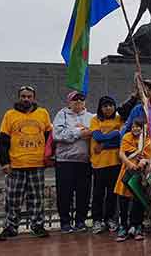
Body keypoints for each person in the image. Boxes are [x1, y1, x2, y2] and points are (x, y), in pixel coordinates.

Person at [0, 86, 52, 241]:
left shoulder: (43, 113)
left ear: (34, 97)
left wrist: (49, 157)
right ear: (19, 97)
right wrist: (4, 163)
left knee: (36, 198)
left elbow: (49, 138)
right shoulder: (10, 115)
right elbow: (3, 141)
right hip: (16, 165)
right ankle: (10, 227)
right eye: (23, 96)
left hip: (37, 164)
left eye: (29, 96)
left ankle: (37, 226)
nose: (26, 99)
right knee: (12, 199)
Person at [53, 91, 94, 233]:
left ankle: (80, 221)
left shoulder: (91, 117)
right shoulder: (61, 115)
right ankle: (65, 222)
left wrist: (77, 132)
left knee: (83, 193)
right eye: (75, 100)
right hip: (65, 161)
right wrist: (79, 133)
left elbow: (95, 132)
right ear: (69, 102)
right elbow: (57, 134)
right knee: (64, 193)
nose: (78, 102)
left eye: (81, 100)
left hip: (84, 161)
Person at [114, 118, 151, 242]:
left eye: (138, 127)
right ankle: (123, 226)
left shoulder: (148, 141)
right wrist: (130, 164)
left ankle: (137, 226)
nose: (135, 129)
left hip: (140, 174)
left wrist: (144, 161)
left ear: (143, 129)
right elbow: (122, 153)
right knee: (123, 199)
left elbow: (150, 157)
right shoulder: (127, 137)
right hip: (126, 171)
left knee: (138, 200)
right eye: (133, 126)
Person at [89, 96, 123, 234]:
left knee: (112, 193)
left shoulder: (119, 119)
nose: (108, 108)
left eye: (110, 105)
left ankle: (110, 219)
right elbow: (97, 137)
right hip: (99, 163)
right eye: (105, 106)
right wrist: (114, 133)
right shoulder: (95, 119)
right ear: (100, 108)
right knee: (98, 193)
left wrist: (103, 146)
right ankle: (97, 220)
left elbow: (120, 141)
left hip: (115, 162)